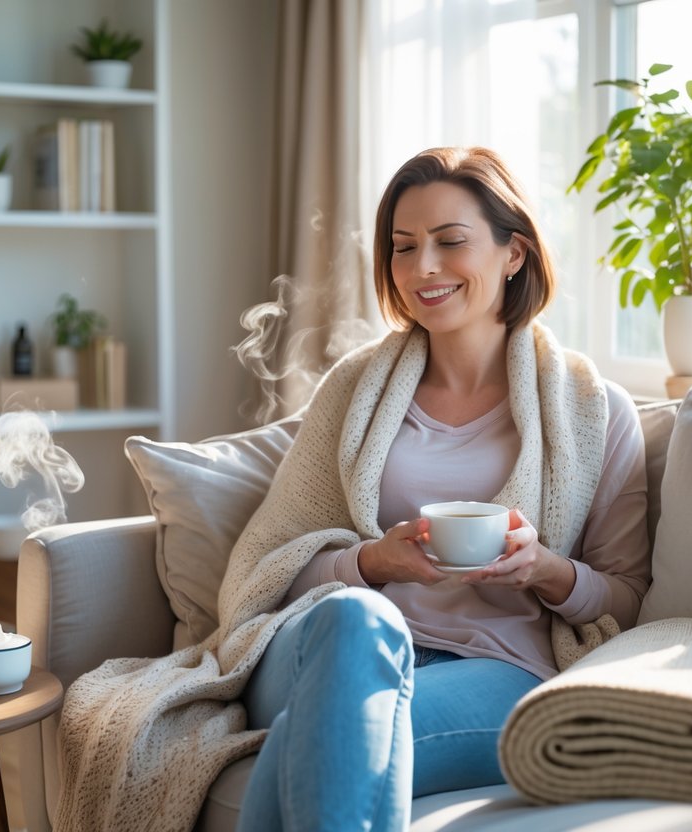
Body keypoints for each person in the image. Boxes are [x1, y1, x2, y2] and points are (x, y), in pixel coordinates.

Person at [232, 146, 652, 831]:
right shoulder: (354, 391)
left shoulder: (591, 409)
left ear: (513, 253)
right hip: (332, 644)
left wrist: (545, 570)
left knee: (314, 740)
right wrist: (370, 563)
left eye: (450, 242)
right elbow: (269, 565)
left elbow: (626, 599)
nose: (421, 267)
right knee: (356, 619)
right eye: (402, 247)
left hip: (495, 668)